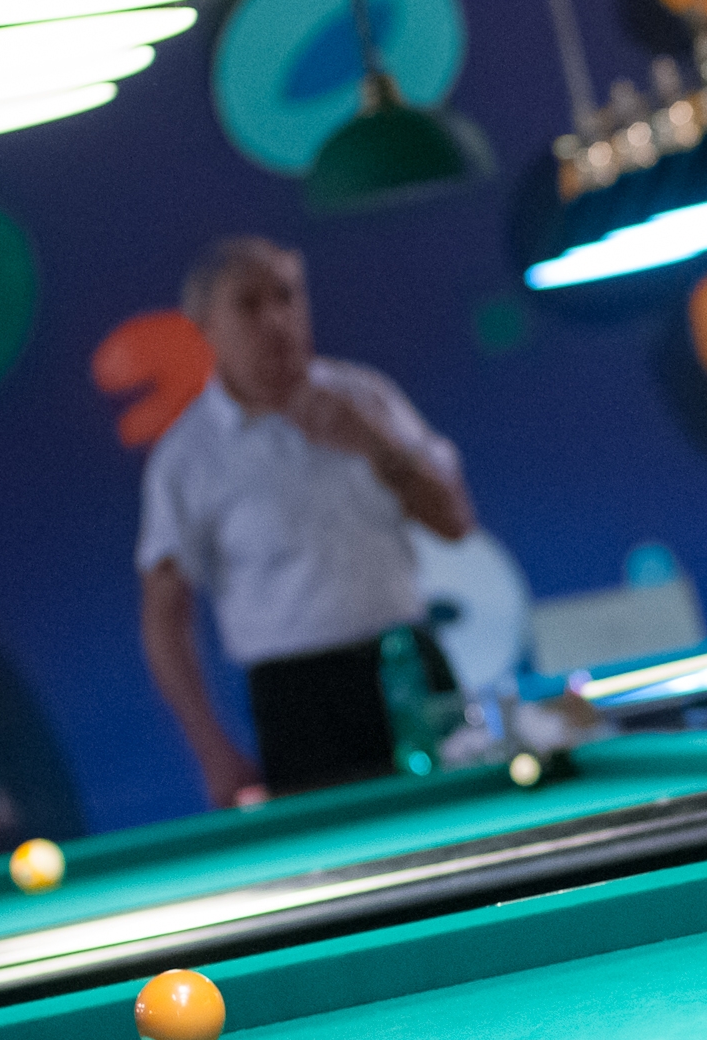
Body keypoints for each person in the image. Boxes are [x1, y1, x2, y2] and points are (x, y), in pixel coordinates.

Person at [139, 237, 474, 804]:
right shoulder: (187, 455)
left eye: (287, 296)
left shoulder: (367, 397)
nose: (276, 320)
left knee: (467, 820)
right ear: (207, 327)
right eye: (249, 305)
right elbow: (165, 618)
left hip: (407, 662)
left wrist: (376, 446)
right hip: (299, 697)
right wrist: (212, 750)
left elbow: (455, 522)